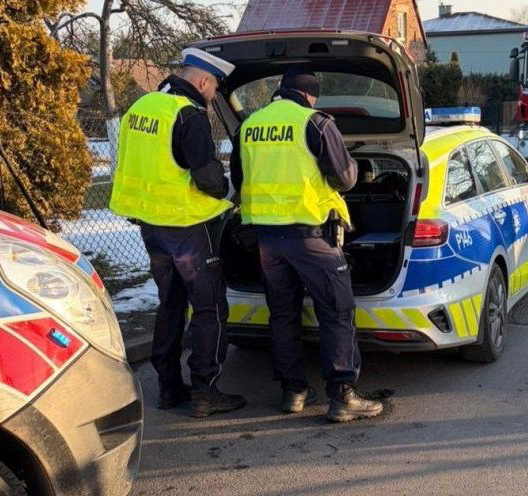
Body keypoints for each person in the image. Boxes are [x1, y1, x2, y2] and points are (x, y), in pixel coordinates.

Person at [229, 68, 385, 422]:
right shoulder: (315, 123)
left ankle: (293, 391)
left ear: (280, 91)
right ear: (310, 95)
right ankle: (343, 394)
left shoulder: (249, 126)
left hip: (267, 240)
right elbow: (344, 179)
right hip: (311, 237)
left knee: (282, 313)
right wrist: (355, 168)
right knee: (337, 311)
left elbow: (239, 179)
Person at [109, 48, 246, 418]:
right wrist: (229, 190)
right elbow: (208, 179)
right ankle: (205, 390)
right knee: (209, 308)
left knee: (169, 303)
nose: (212, 93)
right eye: (214, 86)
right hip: (189, 228)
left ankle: (169, 388)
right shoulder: (189, 114)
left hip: (152, 227)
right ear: (203, 81)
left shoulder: (142, 107)